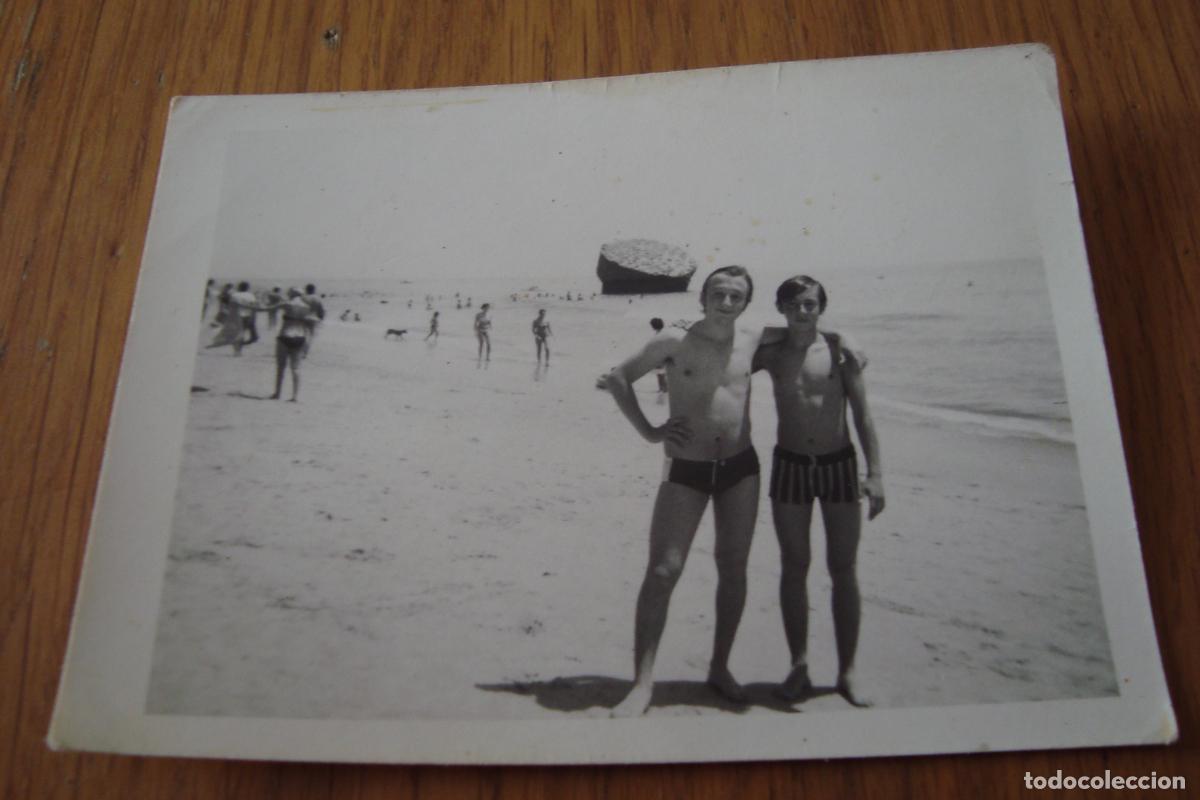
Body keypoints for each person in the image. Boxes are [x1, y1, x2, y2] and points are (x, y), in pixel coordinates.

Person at [604, 265, 767, 717]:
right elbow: (618, 377)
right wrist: (651, 432)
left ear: (747, 303)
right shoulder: (673, 341)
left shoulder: (753, 338)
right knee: (662, 571)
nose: (727, 303)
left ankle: (719, 667)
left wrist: (842, 342)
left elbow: (805, 332)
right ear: (703, 296)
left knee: (733, 568)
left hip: (742, 469)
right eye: (719, 293)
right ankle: (641, 683)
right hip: (687, 469)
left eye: (737, 296)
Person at [754, 275, 885, 708]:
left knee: (843, 567)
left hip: (839, 467)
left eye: (811, 304)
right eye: (793, 304)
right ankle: (799, 666)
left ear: (821, 306)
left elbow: (863, 415)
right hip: (790, 466)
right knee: (794, 566)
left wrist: (876, 473)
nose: (803, 311)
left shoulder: (839, 352)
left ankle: (847, 672)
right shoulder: (771, 354)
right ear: (781, 307)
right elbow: (733, 346)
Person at [269, 288, 317, 402]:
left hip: (285, 335)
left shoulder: (286, 304)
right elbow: (310, 328)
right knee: (296, 369)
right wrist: (307, 347)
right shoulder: (306, 307)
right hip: (300, 337)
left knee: (281, 367)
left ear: (292, 294)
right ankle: (295, 396)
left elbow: (267, 308)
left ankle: (277, 393)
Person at [229, 281, 260, 355]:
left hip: (236, 316)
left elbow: (232, 306)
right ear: (248, 288)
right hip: (247, 316)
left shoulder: (234, 295)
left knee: (238, 333)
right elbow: (254, 307)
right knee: (244, 334)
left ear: (239, 287)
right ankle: (239, 349)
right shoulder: (250, 295)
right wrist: (253, 318)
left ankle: (237, 350)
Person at [649, 318, 668, 393]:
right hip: (661, 356)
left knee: (660, 374)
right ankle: (662, 388)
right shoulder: (661, 333)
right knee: (660, 373)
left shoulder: (659, 334)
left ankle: (663, 388)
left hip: (660, 356)